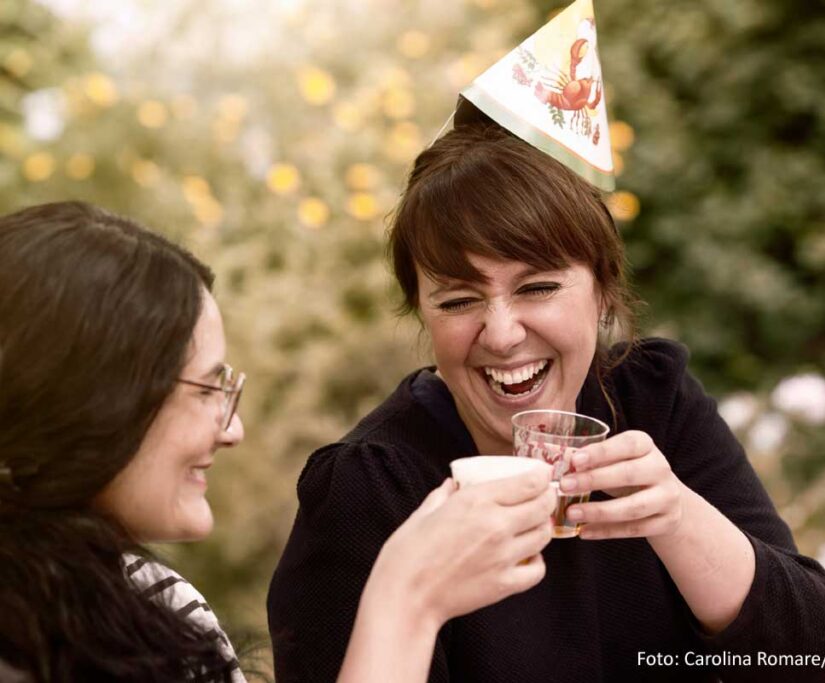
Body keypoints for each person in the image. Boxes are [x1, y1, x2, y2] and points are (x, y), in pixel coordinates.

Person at [267, 123, 825, 683]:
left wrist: (676, 516)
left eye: (538, 287)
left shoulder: (654, 400)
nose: (500, 334)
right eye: (457, 301)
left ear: (602, 292)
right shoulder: (367, 487)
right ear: (421, 311)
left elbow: (815, 656)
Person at [0, 201, 556, 683]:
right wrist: (404, 603)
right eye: (204, 390)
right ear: (94, 401)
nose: (232, 429)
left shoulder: (145, 602)